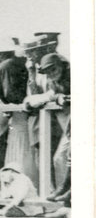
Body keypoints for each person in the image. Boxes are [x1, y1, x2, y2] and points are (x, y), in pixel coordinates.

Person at [0, 40, 33, 188]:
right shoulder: (17, 63)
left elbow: (11, 97)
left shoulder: (6, 65)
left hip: (18, 116)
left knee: (16, 152)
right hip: (23, 116)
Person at [25, 53, 70, 205]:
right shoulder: (54, 83)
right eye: (48, 71)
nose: (52, 73)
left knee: (65, 157)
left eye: (54, 68)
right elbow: (43, 96)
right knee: (60, 158)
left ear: (62, 65)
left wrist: (59, 97)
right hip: (69, 128)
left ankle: (69, 196)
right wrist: (33, 101)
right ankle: (64, 198)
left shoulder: (73, 75)